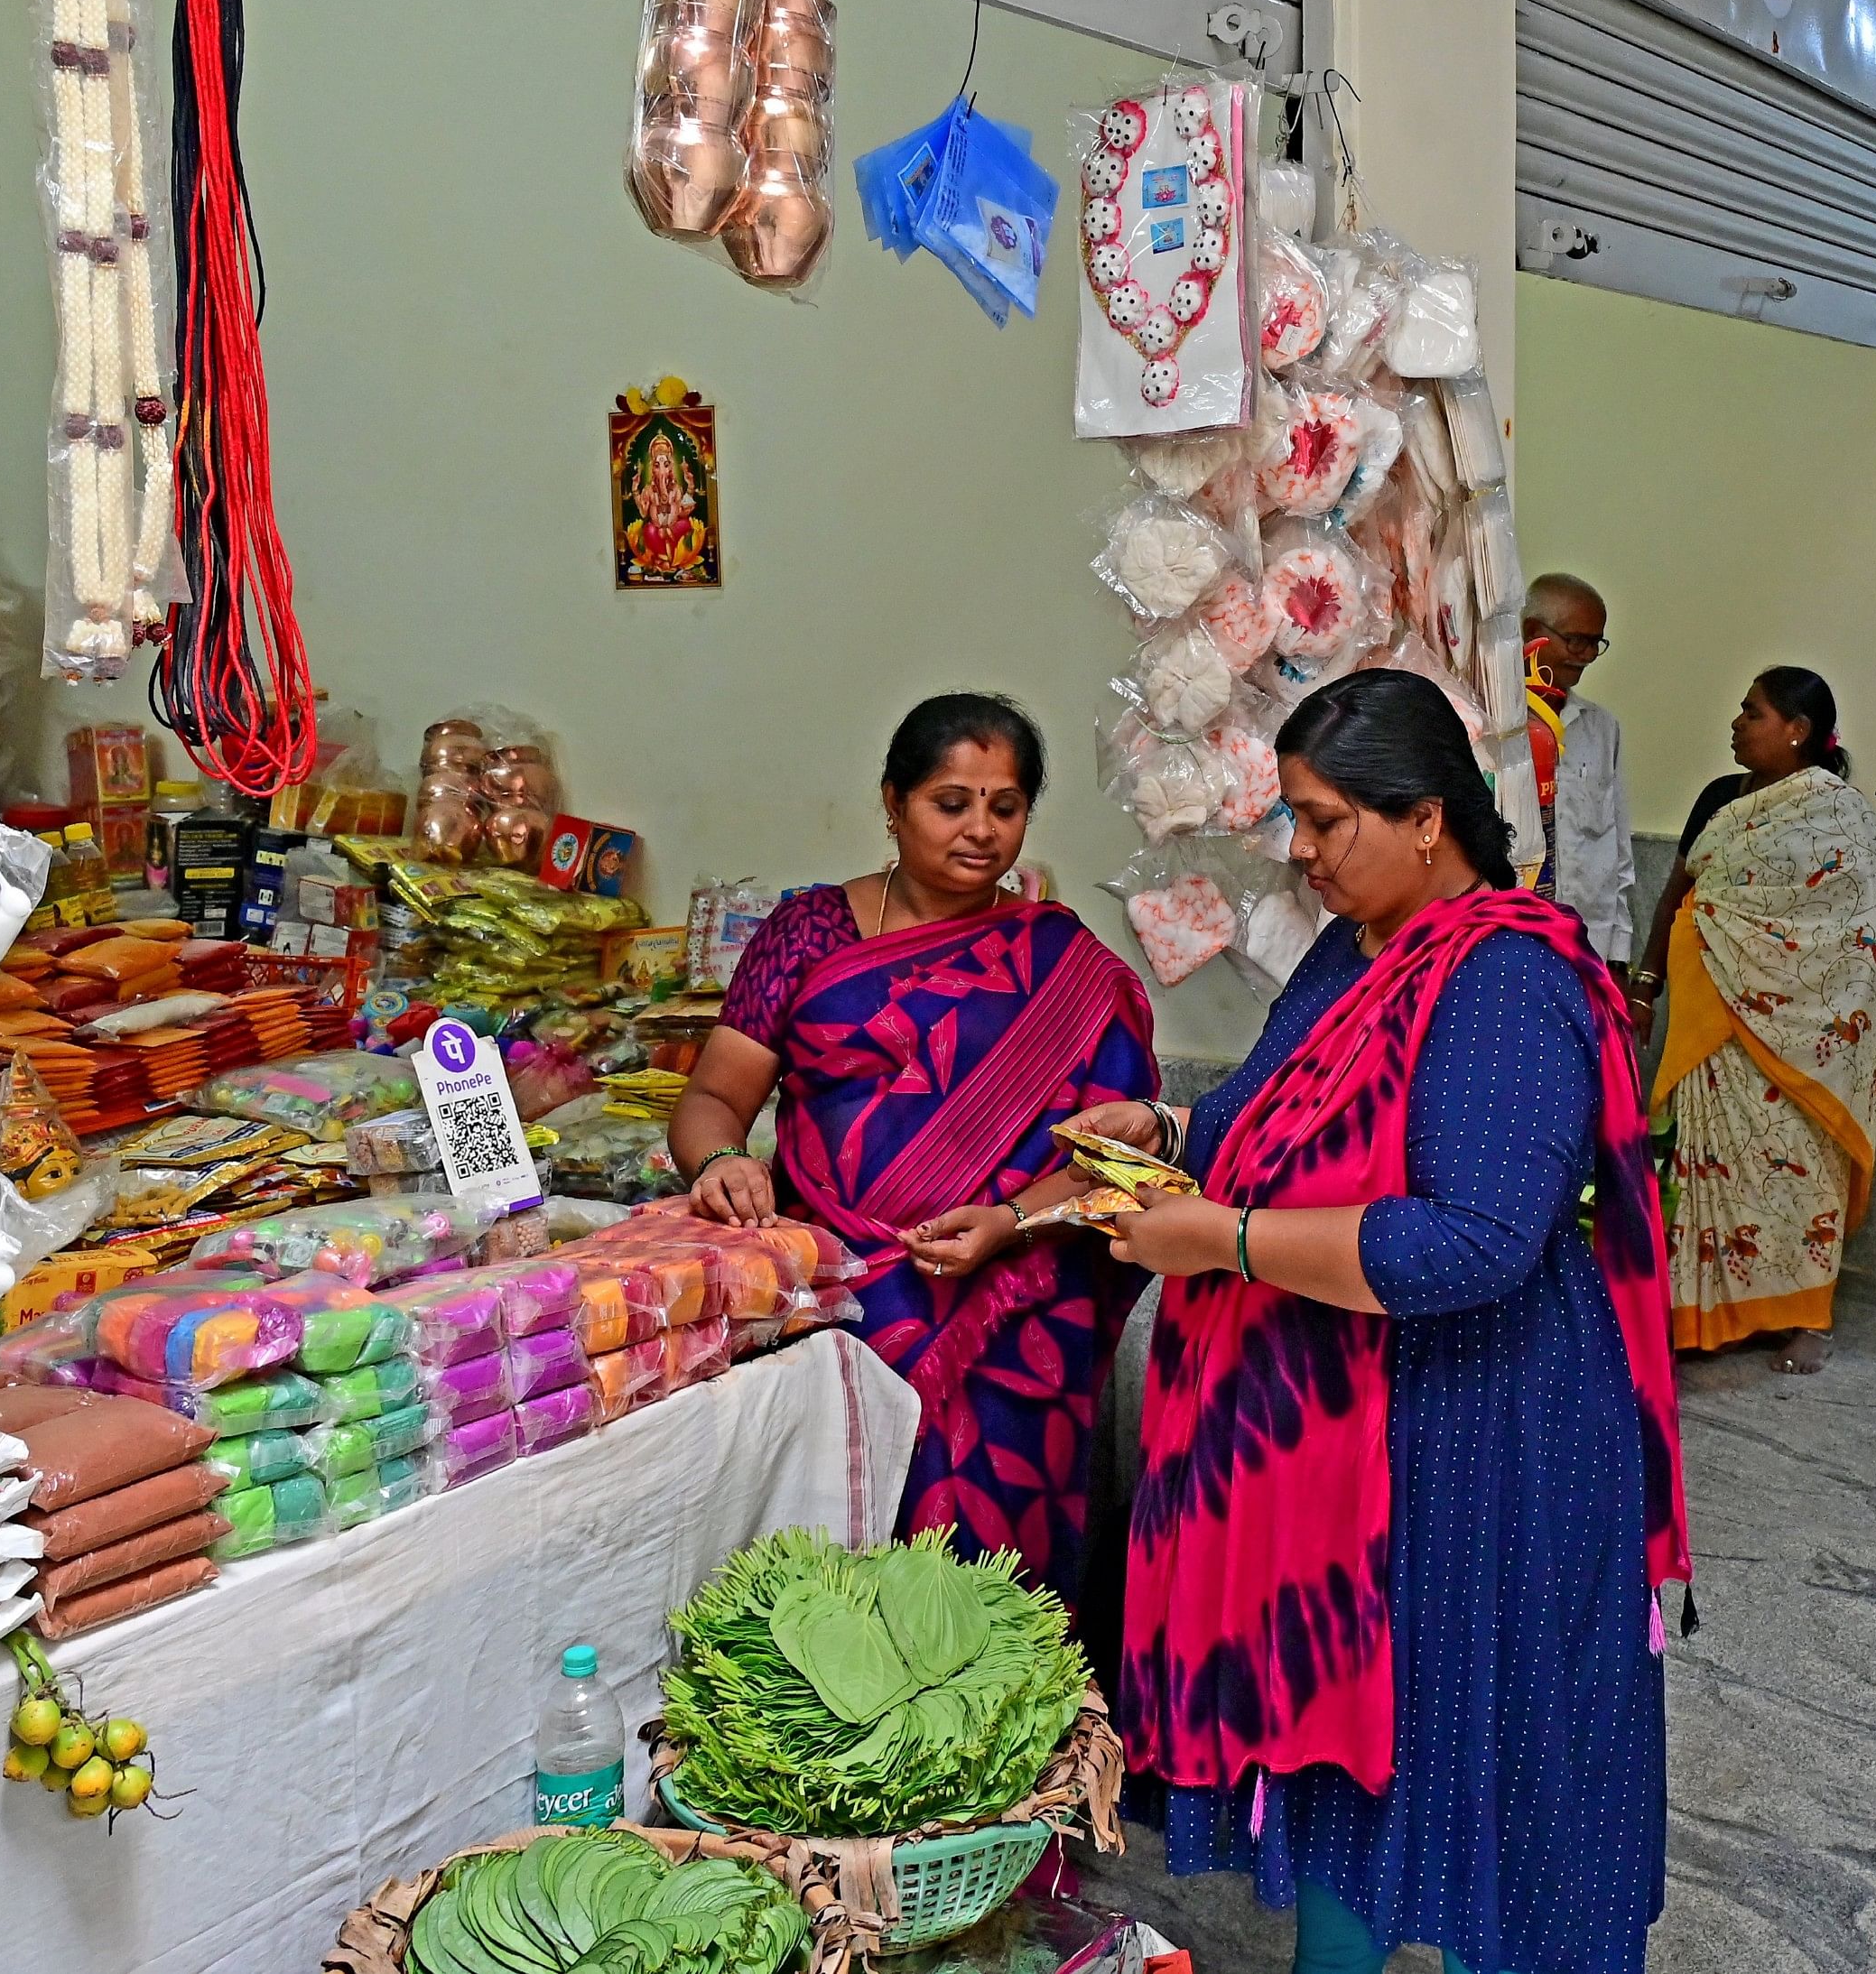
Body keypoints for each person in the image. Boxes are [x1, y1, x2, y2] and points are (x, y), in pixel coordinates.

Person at [1092, 668, 1689, 1974]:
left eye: (1322, 822)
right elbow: (1285, 1110)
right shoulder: (1352, 950)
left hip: (1475, 1426)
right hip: (1345, 1433)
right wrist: (1178, 1131)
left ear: (1426, 819)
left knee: (1482, 1745)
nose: (1301, 855)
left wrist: (1224, 1242)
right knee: (1355, 1751)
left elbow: (1470, 1239)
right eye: (1294, 823)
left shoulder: (1501, 982)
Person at [670, 694, 1158, 1595]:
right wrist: (721, 1160)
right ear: (892, 802)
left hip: (1013, 1311)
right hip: (837, 1301)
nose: (981, 830)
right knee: (836, 1575)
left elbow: (1115, 1164)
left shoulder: (1061, 959)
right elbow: (712, 1095)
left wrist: (1011, 1224)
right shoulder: (807, 933)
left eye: (1004, 806)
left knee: (989, 1591)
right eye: (951, 802)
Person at [1642, 668, 1876, 1372]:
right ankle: (1701, 1314)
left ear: (1796, 730)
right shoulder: (1722, 799)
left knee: (1796, 1174)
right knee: (1706, 1171)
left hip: (1801, 1039)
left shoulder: (1838, 814)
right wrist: (1646, 983)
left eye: (1751, 712)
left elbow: (1850, 934)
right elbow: (1680, 890)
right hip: (1712, 1023)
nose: (1736, 722)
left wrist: (1761, 967)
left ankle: (1802, 1316)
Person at [1524, 573, 1635, 971]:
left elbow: (1617, 849)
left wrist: (1619, 954)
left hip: (1586, 950)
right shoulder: (1489, 727)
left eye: (1595, 643)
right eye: (1576, 640)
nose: (1587, 655)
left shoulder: (1601, 728)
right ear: (1532, 633)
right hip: (1510, 945)